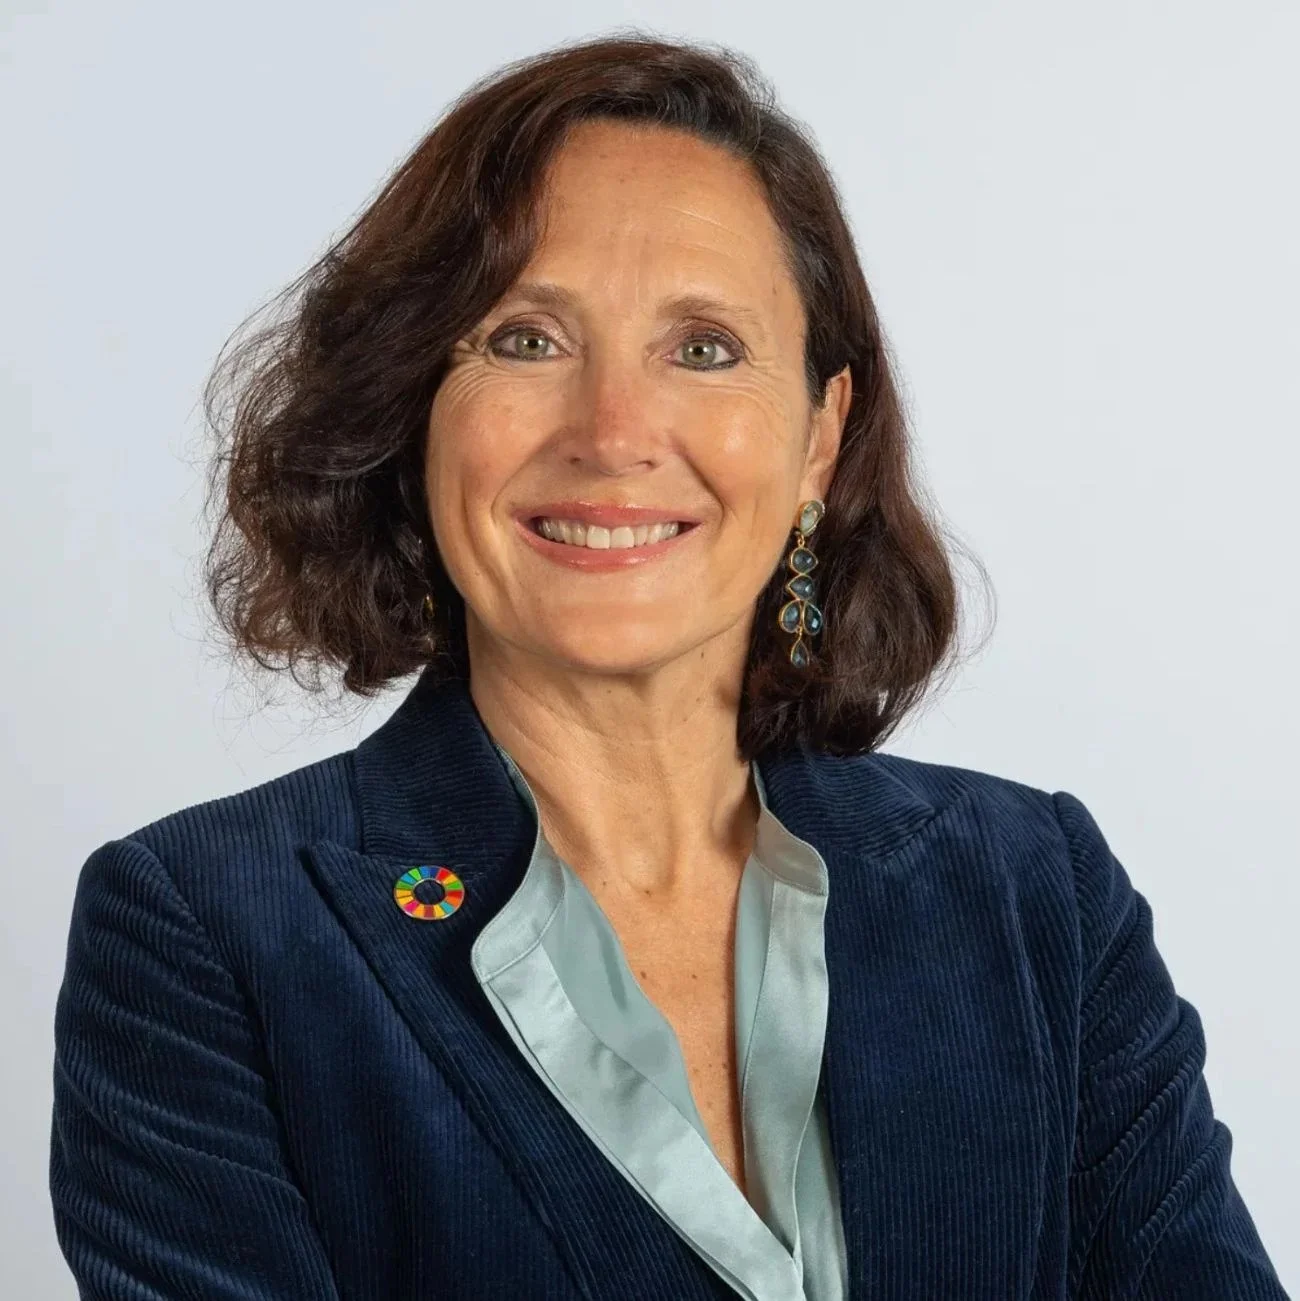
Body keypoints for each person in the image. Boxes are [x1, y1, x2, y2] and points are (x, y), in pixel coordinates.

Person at [49, 31, 1288, 1301]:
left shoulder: (1039, 895)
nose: (614, 433)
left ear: (820, 434)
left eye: (702, 348)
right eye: (526, 338)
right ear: (412, 406)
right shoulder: (206, 931)